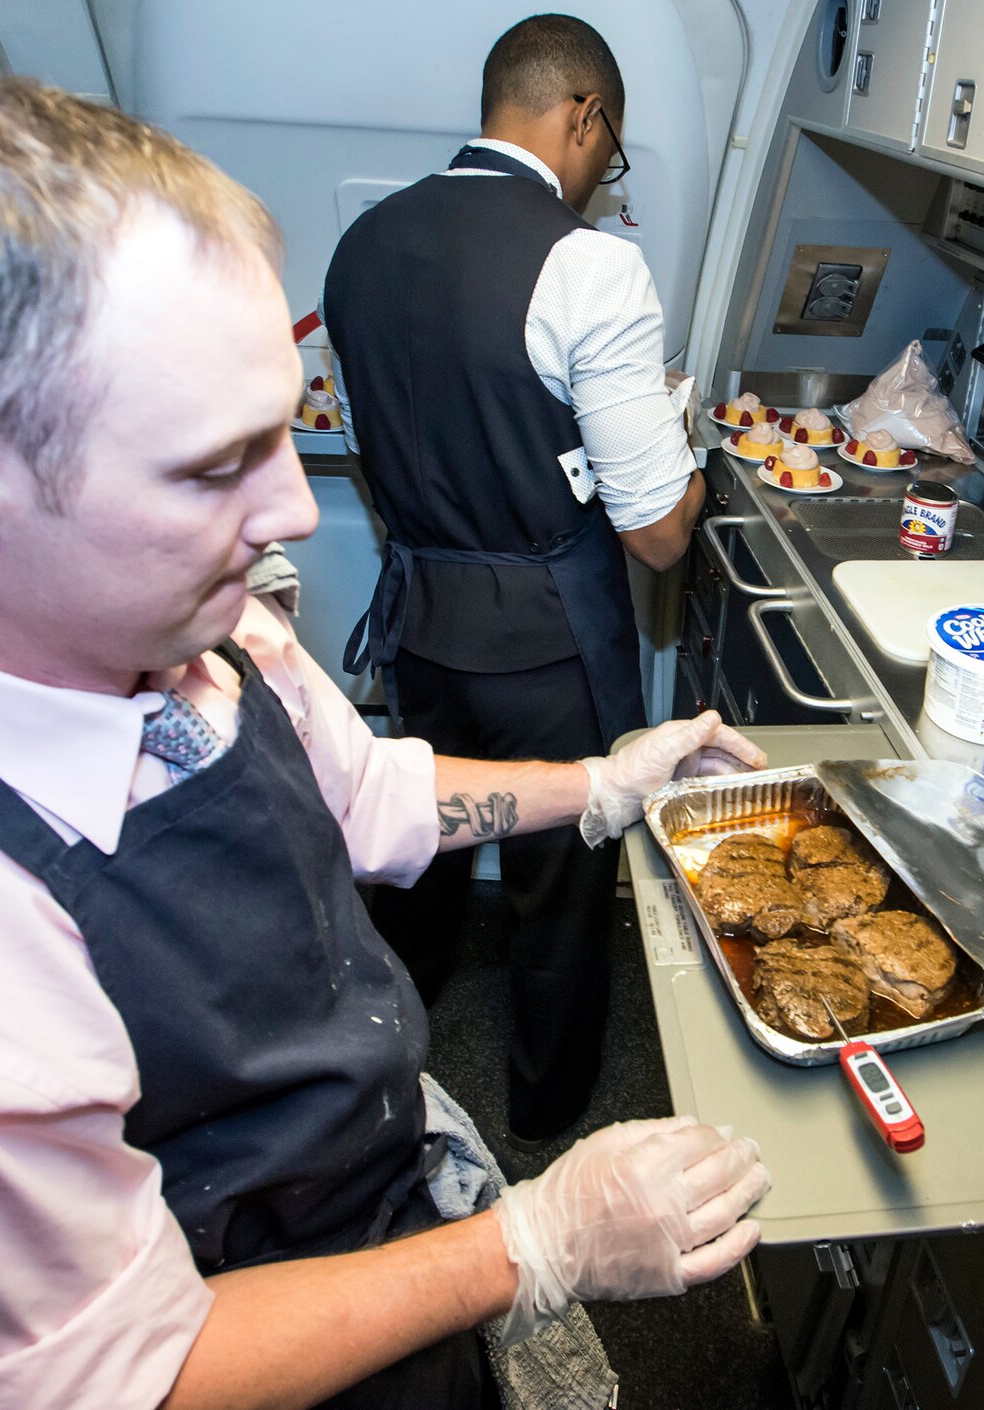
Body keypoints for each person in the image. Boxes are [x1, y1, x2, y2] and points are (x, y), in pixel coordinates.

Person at [0, 76, 769, 1410]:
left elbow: (370, 791)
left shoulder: (193, 634)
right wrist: (531, 1244)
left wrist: (602, 783)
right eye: (217, 463)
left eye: (284, 420)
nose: (288, 507)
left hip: (370, 1196)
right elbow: (134, 1376)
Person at [322, 14, 705, 1147]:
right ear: (582, 114)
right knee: (558, 885)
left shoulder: (362, 244)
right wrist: (695, 466)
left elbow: (370, 440)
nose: (601, 177)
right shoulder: (591, 266)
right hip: (549, 638)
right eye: (610, 149)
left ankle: (388, 1067)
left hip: (420, 618)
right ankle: (544, 1117)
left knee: (421, 851)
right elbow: (655, 539)